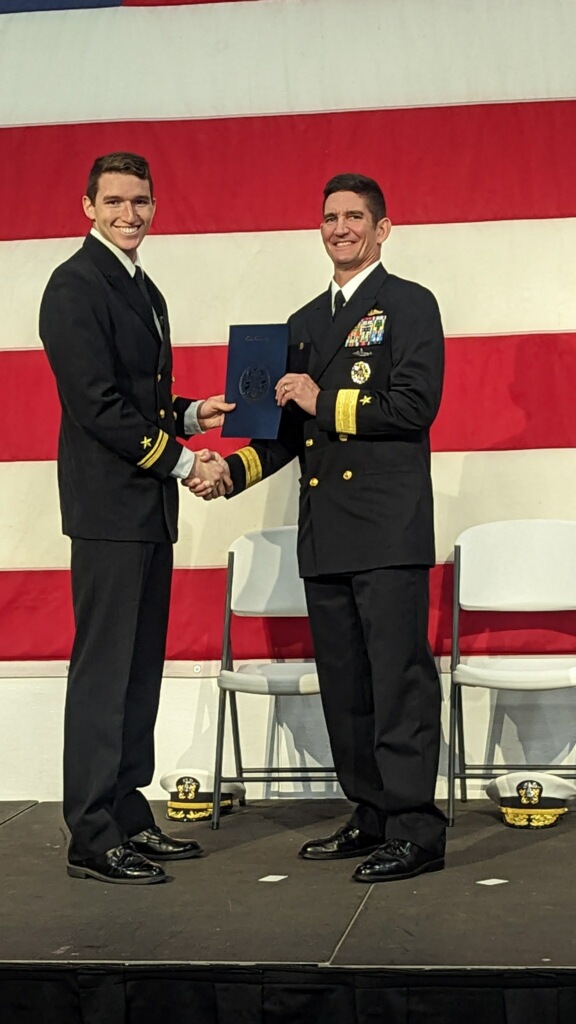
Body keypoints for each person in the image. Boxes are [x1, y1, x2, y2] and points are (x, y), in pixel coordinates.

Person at [193, 173, 447, 882]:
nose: (340, 228)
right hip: (326, 531)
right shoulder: (302, 322)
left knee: (398, 681)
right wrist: (226, 472)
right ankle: (369, 814)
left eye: (355, 216)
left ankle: (415, 828)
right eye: (330, 217)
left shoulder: (409, 305)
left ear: (383, 227)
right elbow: (278, 433)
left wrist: (321, 395)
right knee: (345, 684)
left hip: (387, 529)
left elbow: (414, 406)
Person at [39, 151, 233, 885]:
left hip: (142, 508)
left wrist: (190, 414)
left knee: (137, 670)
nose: (130, 213)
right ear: (87, 205)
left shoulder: (140, 285)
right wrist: (185, 461)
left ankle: (126, 810)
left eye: (142, 201)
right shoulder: (73, 286)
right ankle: (91, 832)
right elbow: (97, 405)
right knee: (103, 672)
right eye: (115, 201)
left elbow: (141, 399)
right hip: (108, 509)